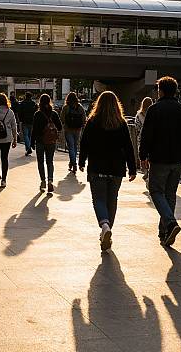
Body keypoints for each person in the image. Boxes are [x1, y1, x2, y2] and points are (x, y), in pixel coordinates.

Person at [139, 76, 181, 247]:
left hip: (159, 159)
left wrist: (142, 156)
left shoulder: (154, 110)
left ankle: (170, 223)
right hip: (178, 160)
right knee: (170, 194)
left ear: (161, 91)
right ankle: (164, 232)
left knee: (156, 191)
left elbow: (146, 135)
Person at [78, 91, 136, 252]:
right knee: (112, 200)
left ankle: (104, 225)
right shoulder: (122, 123)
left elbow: (85, 143)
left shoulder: (92, 121)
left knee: (99, 199)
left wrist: (81, 161)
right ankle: (108, 227)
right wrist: (132, 168)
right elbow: (129, 148)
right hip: (117, 169)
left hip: (97, 167)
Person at [31, 94, 62, 193]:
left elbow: (34, 130)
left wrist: (32, 142)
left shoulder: (37, 114)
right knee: (50, 161)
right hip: (51, 141)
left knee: (40, 162)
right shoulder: (54, 114)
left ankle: (43, 181)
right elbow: (60, 127)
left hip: (40, 141)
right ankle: (50, 180)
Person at [60, 92, 87, 173]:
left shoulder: (66, 107)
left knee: (71, 147)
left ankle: (73, 163)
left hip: (68, 129)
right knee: (75, 146)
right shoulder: (80, 107)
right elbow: (84, 118)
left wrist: (66, 124)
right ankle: (72, 162)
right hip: (78, 129)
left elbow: (62, 118)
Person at [135, 97, 153, 185]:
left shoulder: (139, 115)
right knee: (151, 154)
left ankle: (145, 171)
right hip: (152, 138)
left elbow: (137, 127)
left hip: (141, 138)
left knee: (143, 155)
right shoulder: (154, 113)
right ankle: (150, 171)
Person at [19, 92, 38, 156]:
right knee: (29, 135)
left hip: (24, 121)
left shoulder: (22, 103)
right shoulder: (33, 103)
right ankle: (29, 146)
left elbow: (20, 112)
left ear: (25, 96)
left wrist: (20, 119)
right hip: (32, 121)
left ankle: (28, 148)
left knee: (25, 135)